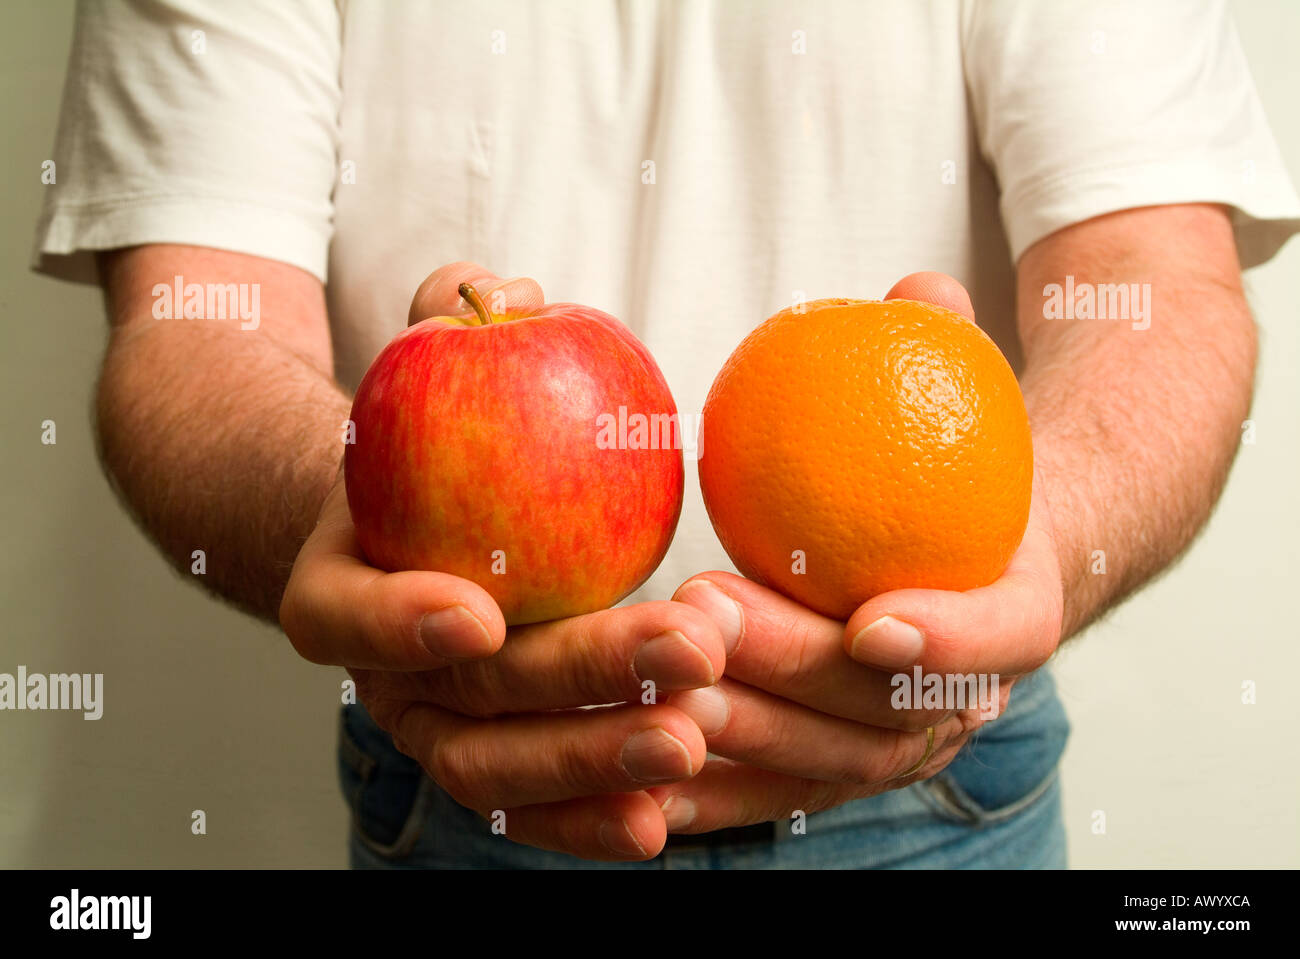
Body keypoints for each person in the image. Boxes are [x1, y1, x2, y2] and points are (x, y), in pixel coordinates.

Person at [33, 0, 1299, 869]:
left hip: (937, 741)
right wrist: (355, 494)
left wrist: (1043, 538)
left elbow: (1154, 282)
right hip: (469, 758)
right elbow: (192, 327)